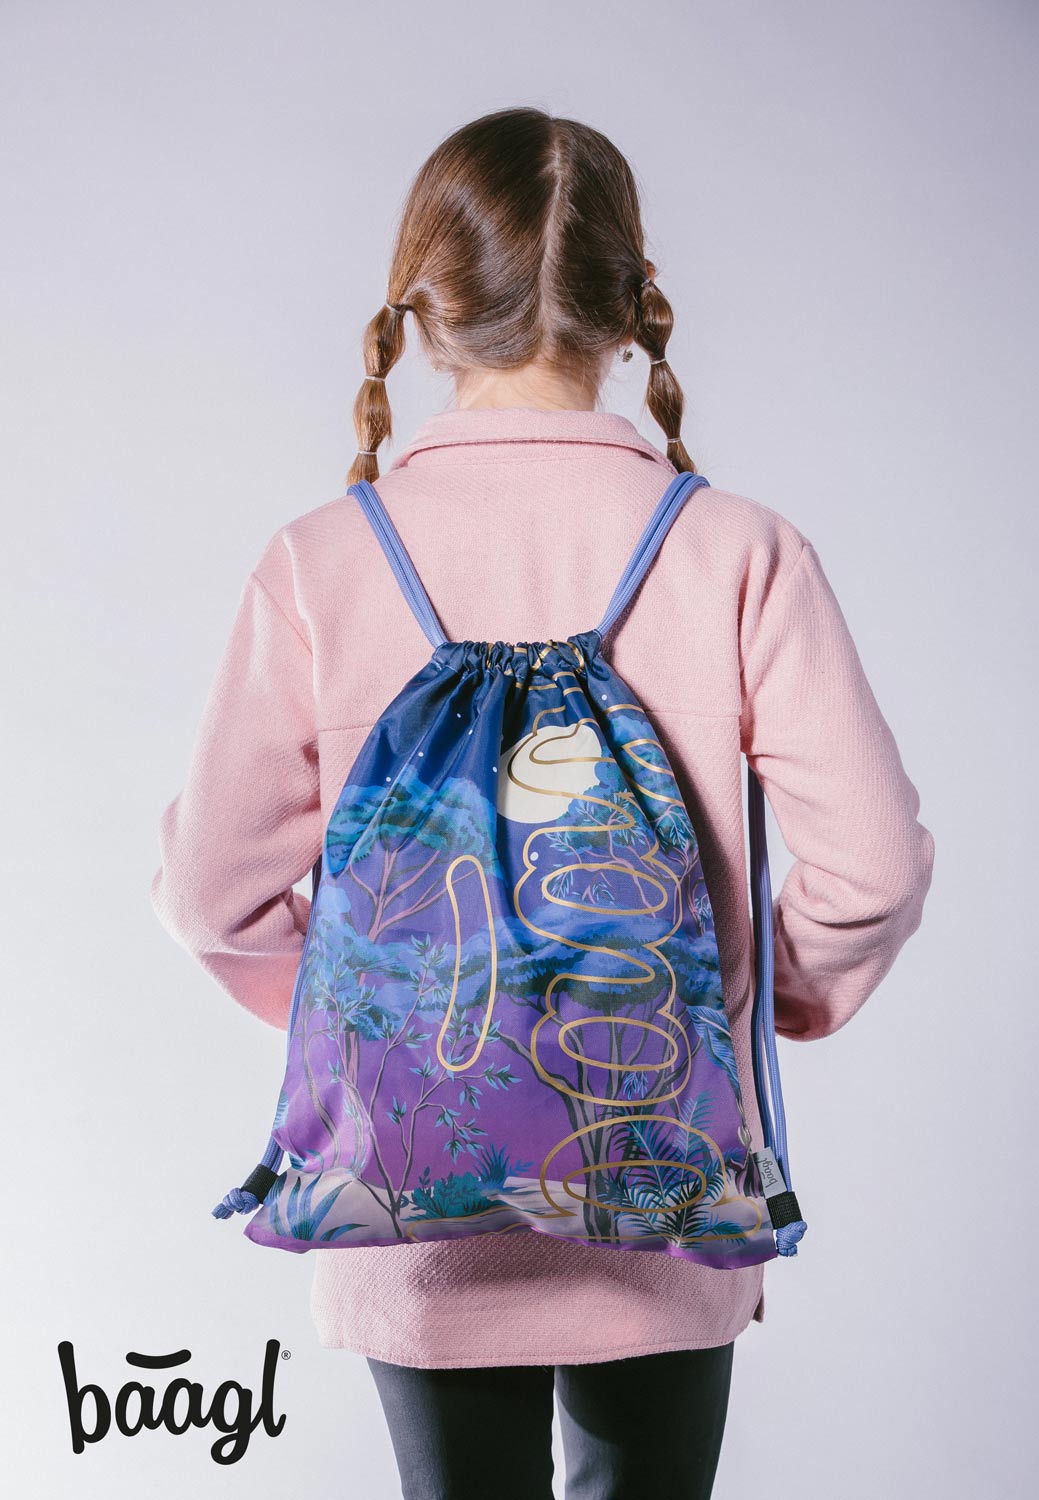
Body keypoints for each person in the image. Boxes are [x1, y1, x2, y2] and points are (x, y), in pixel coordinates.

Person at [151, 106, 935, 1499]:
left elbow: (211, 891)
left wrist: (401, 1019)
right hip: (664, 1192)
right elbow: (871, 866)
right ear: (634, 308)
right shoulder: (739, 552)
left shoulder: (322, 562)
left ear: (424, 309)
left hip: (411, 1211)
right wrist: (749, 1007)